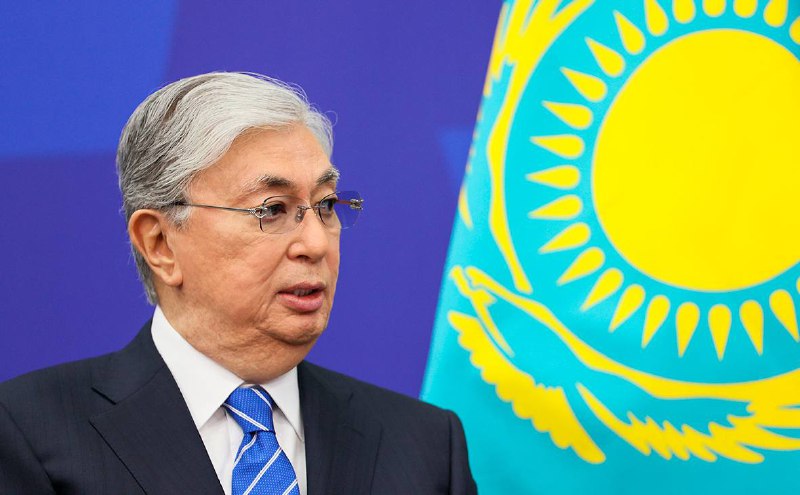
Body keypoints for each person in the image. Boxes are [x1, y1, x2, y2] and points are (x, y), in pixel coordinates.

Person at [0, 72, 477, 494]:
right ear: (160, 244)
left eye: (327, 206)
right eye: (272, 209)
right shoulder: (27, 433)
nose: (316, 243)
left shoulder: (424, 445)